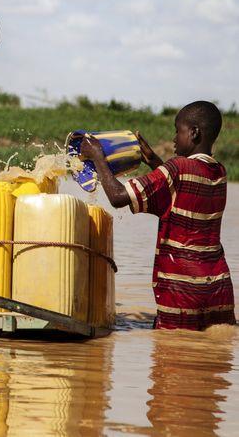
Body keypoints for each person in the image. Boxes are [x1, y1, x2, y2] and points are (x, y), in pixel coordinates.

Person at [80, 101, 235, 330]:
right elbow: (178, 194)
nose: (173, 139)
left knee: (170, 361)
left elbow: (119, 196)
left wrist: (98, 158)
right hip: (219, 290)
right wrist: (154, 162)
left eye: (177, 131)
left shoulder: (176, 169)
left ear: (193, 133)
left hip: (182, 294)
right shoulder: (218, 173)